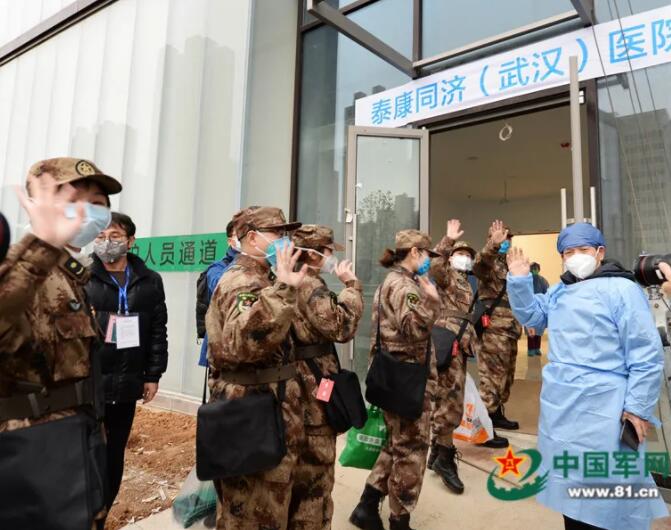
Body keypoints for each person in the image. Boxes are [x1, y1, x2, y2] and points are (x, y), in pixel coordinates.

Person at [506, 222, 668, 530]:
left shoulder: (622, 289)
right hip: (561, 407)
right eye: (568, 252)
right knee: (569, 487)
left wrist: (637, 408)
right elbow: (533, 317)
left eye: (583, 250)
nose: (576, 257)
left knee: (607, 489)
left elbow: (645, 354)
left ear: (599, 252)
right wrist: (519, 281)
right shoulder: (560, 291)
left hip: (605, 408)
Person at [0, 158, 122, 530]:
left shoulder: (72, 274)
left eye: (98, 203)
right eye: (73, 198)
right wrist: (40, 246)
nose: (88, 211)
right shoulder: (22, 268)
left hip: (79, 439)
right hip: (32, 450)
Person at [205, 206, 305, 529]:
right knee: (250, 511)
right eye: (278, 234)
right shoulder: (241, 280)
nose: (285, 241)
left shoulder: (264, 277)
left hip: (267, 408)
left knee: (269, 508)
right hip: (250, 413)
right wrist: (284, 289)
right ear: (252, 238)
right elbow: (243, 343)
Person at [350, 229, 440, 530]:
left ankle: (367, 505)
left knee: (396, 444)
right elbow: (413, 329)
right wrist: (432, 302)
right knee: (411, 452)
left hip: (396, 378)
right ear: (414, 252)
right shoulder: (403, 286)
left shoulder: (394, 281)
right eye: (426, 254)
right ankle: (399, 520)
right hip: (408, 382)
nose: (428, 260)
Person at [84, 211, 168, 511]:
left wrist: (153, 375)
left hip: (127, 382)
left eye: (115, 236)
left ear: (130, 241)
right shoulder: (83, 277)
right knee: (86, 451)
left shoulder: (149, 280)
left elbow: (158, 330)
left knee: (114, 452)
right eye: (101, 236)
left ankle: (103, 511)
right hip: (89, 383)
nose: (107, 242)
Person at [290, 224, 363, 529]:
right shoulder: (310, 286)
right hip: (313, 386)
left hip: (298, 385)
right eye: (329, 252)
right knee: (315, 477)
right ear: (314, 255)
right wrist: (351, 286)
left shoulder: (287, 280)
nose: (332, 258)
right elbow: (341, 327)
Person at [428, 220, 504, 496]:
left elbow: (484, 261)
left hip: (459, 344)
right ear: (451, 258)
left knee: (449, 398)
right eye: (460, 254)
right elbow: (435, 264)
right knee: (450, 402)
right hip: (447, 342)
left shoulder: (468, 280)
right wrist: (447, 240)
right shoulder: (446, 276)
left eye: (467, 255)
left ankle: (437, 451)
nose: (465, 258)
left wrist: (493, 244)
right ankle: (445, 456)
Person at [472, 219, 522, 435]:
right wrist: (493, 244)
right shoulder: (489, 264)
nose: (506, 242)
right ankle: (481, 430)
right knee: (491, 379)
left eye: (508, 239)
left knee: (506, 378)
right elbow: (479, 264)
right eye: (502, 239)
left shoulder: (512, 264)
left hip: (511, 328)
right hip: (493, 330)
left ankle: (495, 415)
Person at [197, 208, 259, 368]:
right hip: (222, 349)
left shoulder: (261, 266)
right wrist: (245, 260)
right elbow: (223, 286)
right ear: (230, 241)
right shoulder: (217, 268)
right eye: (239, 235)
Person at [526, 262, 549, 357]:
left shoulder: (543, 281)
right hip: (529, 308)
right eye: (533, 268)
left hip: (540, 307)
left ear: (539, 269)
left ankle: (537, 348)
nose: (534, 270)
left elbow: (547, 293)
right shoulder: (526, 281)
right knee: (530, 329)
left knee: (539, 329)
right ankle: (530, 349)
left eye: (536, 268)